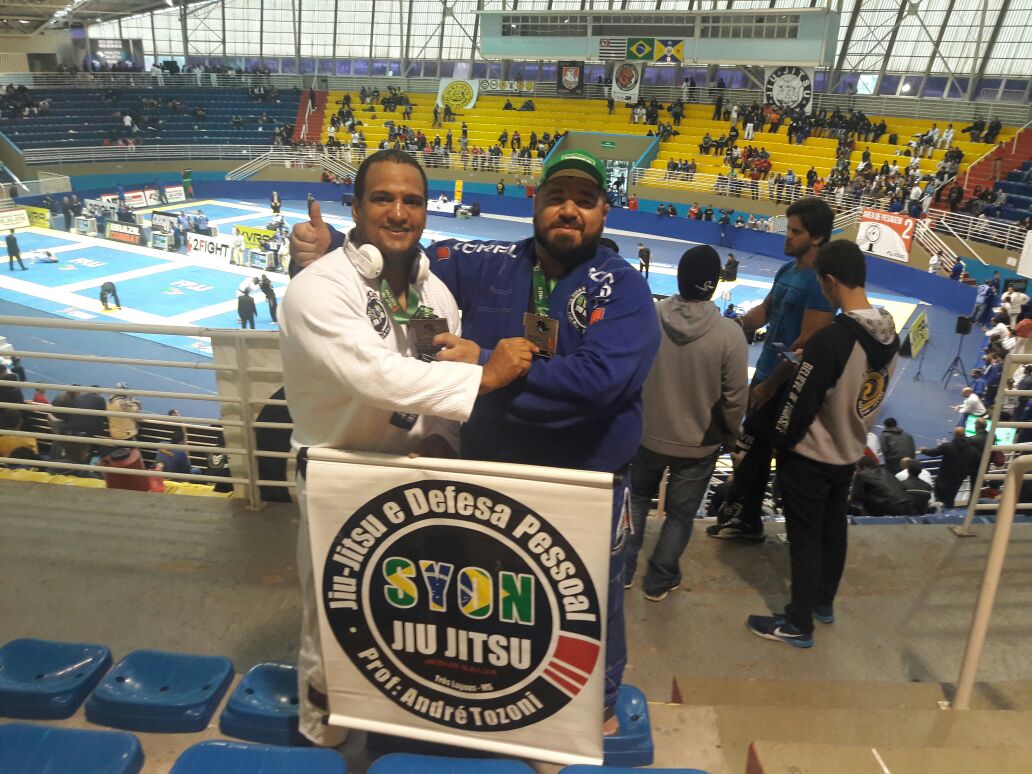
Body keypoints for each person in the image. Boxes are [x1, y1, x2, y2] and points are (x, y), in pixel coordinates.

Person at [288, 147, 660, 736]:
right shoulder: (489, 262)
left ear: (604, 212)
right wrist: (336, 244)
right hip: (488, 482)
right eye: (556, 197)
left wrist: (488, 368)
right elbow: (401, 251)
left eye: (584, 201)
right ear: (534, 204)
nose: (569, 210)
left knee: (592, 601)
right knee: (492, 606)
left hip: (583, 484)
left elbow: (598, 385)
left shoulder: (624, 288)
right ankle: (499, 708)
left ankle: (600, 708)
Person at [278, 149, 535, 746]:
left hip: (417, 485)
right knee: (331, 619)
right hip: (339, 478)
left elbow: (437, 389)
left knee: (405, 617)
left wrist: (443, 440)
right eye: (383, 198)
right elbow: (376, 376)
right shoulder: (318, 290)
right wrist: (487, 376)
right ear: (356, 208)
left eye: (412, 201)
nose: (399, 212)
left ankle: (394, 724)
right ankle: (322, 737)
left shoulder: (436, 295)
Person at [747, 239, 900, 647]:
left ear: (830, 281)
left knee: (805, 539)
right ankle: (822, 603)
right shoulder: (889, 333)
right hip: (849, 450)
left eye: (821, 283)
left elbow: (797, 404)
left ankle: (798, 623)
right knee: (833, 530)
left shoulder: (831, 341)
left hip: (812, 455)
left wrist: (780, 444)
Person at [707, 198, 836, 543]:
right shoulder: (787, 271)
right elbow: (764, 312)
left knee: (763, 451)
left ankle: (764, 524)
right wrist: (729, 326)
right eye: (789, 229)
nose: (787, 236)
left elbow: (806, 346)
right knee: (754, 452)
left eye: (796, 231)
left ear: (817, 237)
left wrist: (772, 384)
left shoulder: (820, 285)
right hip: (766, 376)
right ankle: (748, 521)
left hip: (786, 386)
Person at [624, 245, 748, 601]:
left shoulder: (648, 316)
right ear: (715, 284)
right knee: (680, 516)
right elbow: (736, 400)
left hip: (646, 434)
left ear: (679, 277)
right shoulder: (730, 335)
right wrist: (731, 438)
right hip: (698, 445)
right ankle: (660, 579)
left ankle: (623, 569)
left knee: (636, 500)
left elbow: (629, 369)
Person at [920, 428, 974, 509]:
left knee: (939, 500)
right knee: (950, 499)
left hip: (944, 478)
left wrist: (923, 450)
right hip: (957, 480)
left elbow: (933, 452)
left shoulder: (947, 446)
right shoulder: (970, 449)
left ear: (954, 435)